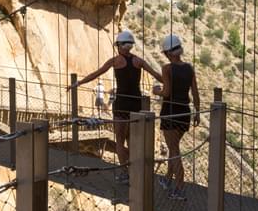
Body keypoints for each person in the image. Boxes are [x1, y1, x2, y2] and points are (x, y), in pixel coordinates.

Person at [69, 30, 162, 183]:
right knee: (132, 140)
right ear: (130, 45)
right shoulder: (139, 61)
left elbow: (96, 73)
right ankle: (135, 171)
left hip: (121, 104)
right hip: (136, 104)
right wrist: (172, 85)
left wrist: (79, 83)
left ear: (119, 45)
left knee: (119, 140)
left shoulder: (115, 61)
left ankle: (124, 172)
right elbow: (156, 75)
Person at [152, 34, 200, 200]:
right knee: (174, 148)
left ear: (168, 53)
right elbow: (195, 92)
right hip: (185, 112)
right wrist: (197, 112)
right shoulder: (189, 68)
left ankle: (180, 188)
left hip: (170, 112)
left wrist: (156, 90)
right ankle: (167, 179)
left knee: (174, 151)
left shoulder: (167, 69)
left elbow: (166, 92)